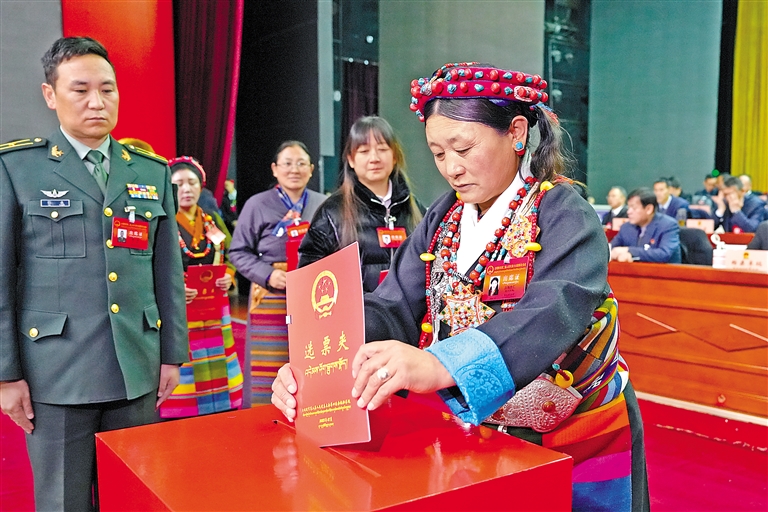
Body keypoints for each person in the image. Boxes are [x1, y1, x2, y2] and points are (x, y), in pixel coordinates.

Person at [273, 63, 648, 511]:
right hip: (488, 428)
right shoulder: (443, 218)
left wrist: (439, 363)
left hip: (579, 430)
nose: (451, 168)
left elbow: (555, 308)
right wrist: (319, 366)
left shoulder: (564, 211)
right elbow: (393, 303)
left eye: (464, 148)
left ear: (516, 133)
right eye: (438, 153)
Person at [0, 37, 188, 510]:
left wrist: (171, 355)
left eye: (107, 89)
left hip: (135, 368)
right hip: (55, 373)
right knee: (63, 501)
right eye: (80, 90)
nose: (97, 102)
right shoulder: (18, 169)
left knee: (131, 498)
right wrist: (5, 375)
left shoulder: (149, 171)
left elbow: (166, 272)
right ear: (51, 95)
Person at [229, 141, 326, 405]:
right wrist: (267, 275)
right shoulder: (257, 204)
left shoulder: (324, 203)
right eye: (287, 163)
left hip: (314, 294)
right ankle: (264, 418)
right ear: (274, 169)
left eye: (301, 163)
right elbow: (238, 252)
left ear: (311, 169)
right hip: (271, 293)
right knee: (269, 362)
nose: (294, 169)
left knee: (314, 358)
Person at [158, 156, 243, 418]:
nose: (186, 189)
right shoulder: (162, 222)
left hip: (214, 306)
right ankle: (181, 411)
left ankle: (220, 408)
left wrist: (228, 275)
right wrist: (174, 289)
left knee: (218, 361)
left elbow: (232, 254)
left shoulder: (212, 220)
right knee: (186, 363)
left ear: (201, 186)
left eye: (192, 182)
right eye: (179, 183)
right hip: (179, 309)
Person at [299, 116, 425, 292]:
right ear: (351, 159)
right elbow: (309, 278)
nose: (374, 158)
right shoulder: (331, 212)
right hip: (356, 310)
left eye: (382, 149)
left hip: (406, 310)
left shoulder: (416, 209)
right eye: (364, 151)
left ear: (394, 156)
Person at [610, 188, 682, 263]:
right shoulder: (626, 227)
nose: (628, 212)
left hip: (662, 270)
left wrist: (629, 251)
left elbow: (664, 254)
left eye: (634, 208)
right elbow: (611, 248)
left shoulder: (668, 225)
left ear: (649, 209)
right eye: (628, 207)